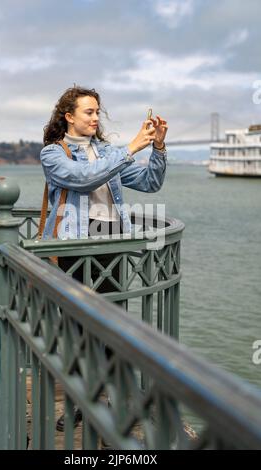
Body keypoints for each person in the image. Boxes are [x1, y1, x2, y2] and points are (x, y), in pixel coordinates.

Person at [40, 85, 168, 433]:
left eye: (98, 112)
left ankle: (111, 408)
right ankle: (82, 404)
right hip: (76, 245)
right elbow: (81, 179)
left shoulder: (108, 152)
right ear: (69, 116)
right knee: (80, 330)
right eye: (89, 112)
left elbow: (149, 182)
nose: (96, 118)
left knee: (110, 327)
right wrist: (129, 149)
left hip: (110, 243)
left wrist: (156, 147)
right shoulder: (54, 153)